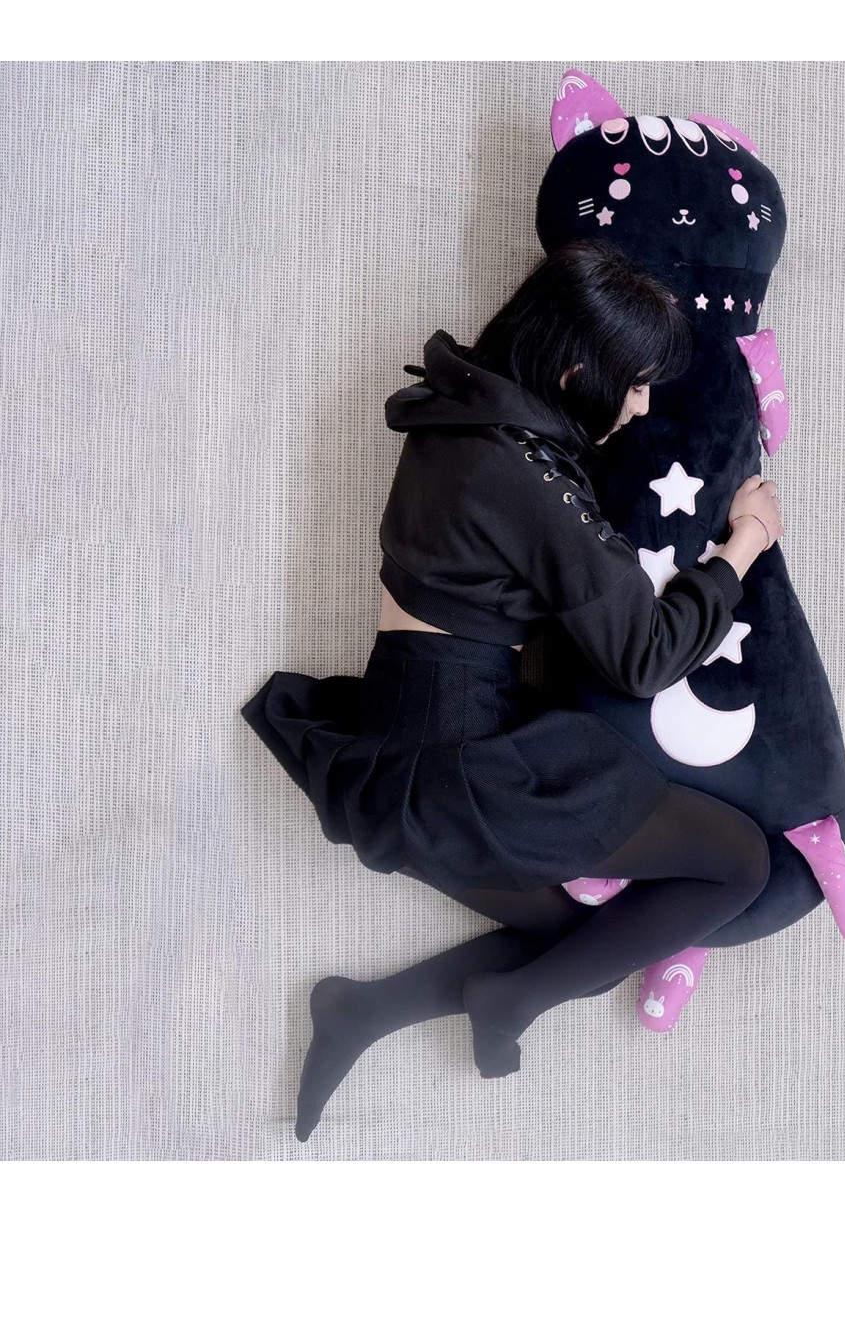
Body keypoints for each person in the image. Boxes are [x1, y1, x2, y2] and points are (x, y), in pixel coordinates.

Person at [239, 238, 785, 1141]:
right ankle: (505, 1001)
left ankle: (364, 1011)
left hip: (397, 740)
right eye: (633, 384)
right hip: (457, 760)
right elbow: (643, 656)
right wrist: (743, 548)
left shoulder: (456, 416)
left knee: (581, 936)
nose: (643, 405)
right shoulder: (522, 476)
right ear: (574, 373)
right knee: (740, 863)